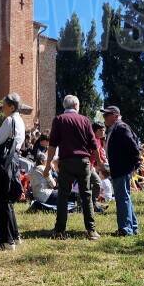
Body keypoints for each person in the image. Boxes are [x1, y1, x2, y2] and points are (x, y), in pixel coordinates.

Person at [46, 95, 101, 240]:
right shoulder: (85, 120)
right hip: (83, 162)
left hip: (66, 161)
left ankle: (59, 230)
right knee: (86, 195)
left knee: (63, 196)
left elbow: (52, 145)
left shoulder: (59, 120)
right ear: (76, 105)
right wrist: (99, 163)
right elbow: (93, 145)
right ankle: (91, 230)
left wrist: (47, 166)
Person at [0, 94, 26, 250]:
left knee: (0, 200)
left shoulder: (9, 120)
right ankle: (14, 237)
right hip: (13, 160)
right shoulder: (19, 121)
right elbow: (3, 136)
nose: (2, 108)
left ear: (11, 107)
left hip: (3, 164)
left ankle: (5, 241)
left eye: (4, 105)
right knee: (7, 201)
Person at [102, 105, 142, 237]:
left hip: (122, 168)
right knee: (125, 197)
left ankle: (125, 229)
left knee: (122, 198)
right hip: (120, 167)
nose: (104, 118)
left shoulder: (121, 127)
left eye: (106, 115)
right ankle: (133, 227)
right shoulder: (116, 128)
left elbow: (133, 145)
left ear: (115, 115)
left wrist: (136, 162)